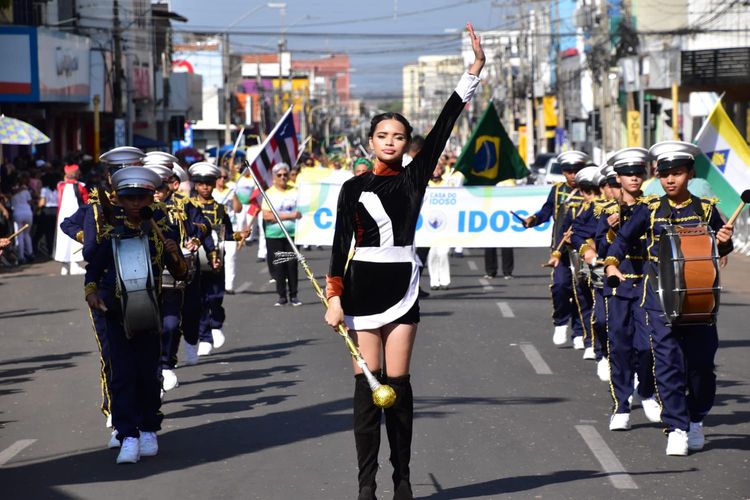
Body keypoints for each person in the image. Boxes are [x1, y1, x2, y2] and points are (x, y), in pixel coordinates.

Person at [324, 22, 484, 500]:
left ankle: (402, 477)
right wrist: (334, 298)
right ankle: (366, 485)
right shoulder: (352, 188)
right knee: (368, 389)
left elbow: (444, 125)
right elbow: (337, 248)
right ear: (370, 141)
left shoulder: (414, 179)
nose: (390, 141)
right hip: (360, 288)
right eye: (382, 135)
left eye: (398, 135)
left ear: (406, 143)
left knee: (397, 385)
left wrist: (471, 73)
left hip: (401, 286)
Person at [604, 141, 734, 456]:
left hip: (700, 302)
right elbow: (621, 239)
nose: (670, 180)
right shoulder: (649, 209)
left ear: (689, 173)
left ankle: (696, 418)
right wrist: (610, 264)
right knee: (668, 365)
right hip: (659, 300)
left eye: (676, 173)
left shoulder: (705, 208)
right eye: (664, 175)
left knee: (701, 368)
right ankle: (676, 426)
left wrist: (726, 243)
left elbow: (722, 249)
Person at [83, 166, 187, 464]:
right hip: (116, 314)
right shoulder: (111, 234)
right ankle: (127, 434)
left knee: (147, 375)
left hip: (149, 314)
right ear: (119, 200)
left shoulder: (159, 233)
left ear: (150, 199)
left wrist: (174, 253)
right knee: (121, 376)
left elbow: (181, 273)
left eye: (141, 198)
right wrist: (91, 294)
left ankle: (149, 429)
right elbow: (93, 269)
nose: (136, 204)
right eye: (130, 199)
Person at [593, 147, 660, 431]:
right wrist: (609, 231)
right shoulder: (606, 211)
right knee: (619, 346)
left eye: (638, 173)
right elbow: (597, 248)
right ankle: (621, 405)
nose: (634, 178)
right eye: (627, 174)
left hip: (646, 282)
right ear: (617, 178)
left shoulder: (655, 208)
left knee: (648, 346)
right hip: (618, 285)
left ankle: (646, 391)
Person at [523, 151, 587, 347]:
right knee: (560, 286)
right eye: (568, 171)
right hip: (560, 250)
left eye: (577, 170)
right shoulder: (558, 190)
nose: (573, 175)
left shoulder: (590, 191)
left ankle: (579, 332)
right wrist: (532, 220)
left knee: (581, 290)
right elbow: (546, 211)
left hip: (583, 249)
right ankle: (560, 322)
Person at [189, 162, 249, 356]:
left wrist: (241, 235)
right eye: (200, 183)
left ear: (214, 185)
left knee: (215, 298)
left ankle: (216, 324)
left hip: (216, 261)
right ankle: (204, 336)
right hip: (194, 261)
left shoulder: (221, 209)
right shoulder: (188, 207)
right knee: (199, 300)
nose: (205, 187)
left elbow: (228, 235)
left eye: (208, 183)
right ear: (195, 185)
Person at [262, 162, 302, 306]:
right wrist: (290, 215)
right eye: (279, 175)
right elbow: (267, 216)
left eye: (285, 174)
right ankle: (282, 296)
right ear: (274, 177)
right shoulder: (269, 193)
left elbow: (302, 212)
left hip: (292, 234)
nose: (283, 177)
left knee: (292, 265)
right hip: (274, 235)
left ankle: (294, 295)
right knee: (279, 266)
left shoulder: (296, 191)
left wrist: (278, 215)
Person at [55, 164, 89, 275]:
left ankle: (64, 266)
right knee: (76, 236)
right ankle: (75, 265)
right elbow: (86, 201)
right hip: (76, 216)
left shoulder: (61, 185)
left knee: (63, 239)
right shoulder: (80, 186)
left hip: (62, 216)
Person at [213, 167, 242, 293]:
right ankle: (215, 283)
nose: (222, 180)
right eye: (219, 177)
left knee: (231, 256)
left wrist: (234, 195)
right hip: (215, 229)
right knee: (215, 256)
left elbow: (238, 209)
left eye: (225, 177)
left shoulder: (230, 191)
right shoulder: (211, 192)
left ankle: (229, 285)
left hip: (230, 227)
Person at [10, 177, 34, 264]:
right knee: (27, 234)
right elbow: (30, 202)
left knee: (19, 236)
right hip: (28, 213)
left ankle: (21, 257)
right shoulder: (26, 191)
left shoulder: (12, 194)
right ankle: (30, 253)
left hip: (17, 213)